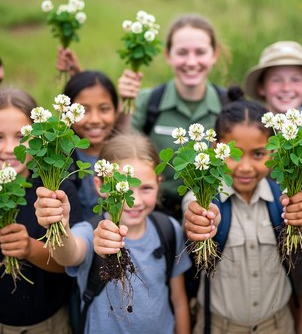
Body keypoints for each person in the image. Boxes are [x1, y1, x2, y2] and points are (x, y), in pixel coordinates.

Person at [183, 87, 302, 334]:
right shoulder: (203, 193)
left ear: (274, 150)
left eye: (258, 154)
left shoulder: (282, 195)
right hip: (218, 325)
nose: (245, 167)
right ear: (215, 148)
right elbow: (192, 211)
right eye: (234, 154)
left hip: (277, 324)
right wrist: (200, 219)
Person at [34, 132, 192, 334]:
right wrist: (60, 225)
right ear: (100, 185)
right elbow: (68, 254)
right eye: (121, 188)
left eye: (146, 188)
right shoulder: (91, 232)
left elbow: (178, 301)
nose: (134, 200)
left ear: (159, 183)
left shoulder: (169, 229)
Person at [244, 41, 302, 334]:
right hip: (256, 219)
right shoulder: (252, 124)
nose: (286, 87)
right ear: (263, 87)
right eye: (276, 79)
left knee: (300, 280)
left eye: (295, 79)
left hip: (300, 223)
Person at [118, 13, 226, 221]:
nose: (191, 61)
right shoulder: (149, 101)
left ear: (214, 54)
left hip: (211, 212)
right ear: (168, 55)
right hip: (155, 213)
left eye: (200, 52)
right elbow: (120, 150)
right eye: (182, 52)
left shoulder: (228, 105)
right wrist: (125, 104)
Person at [0, 87, 82, 334]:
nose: (9, 148)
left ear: (38, 136)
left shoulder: (55, 186)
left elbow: (70, 264)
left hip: (48, 321)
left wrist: (28, 248)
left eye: (20, 136)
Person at [63, 70, 122, 220]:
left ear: (116, 111)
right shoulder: (61, 159)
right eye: (84, 110)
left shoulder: (125, 154)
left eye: (104, 109)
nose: (95, 119)